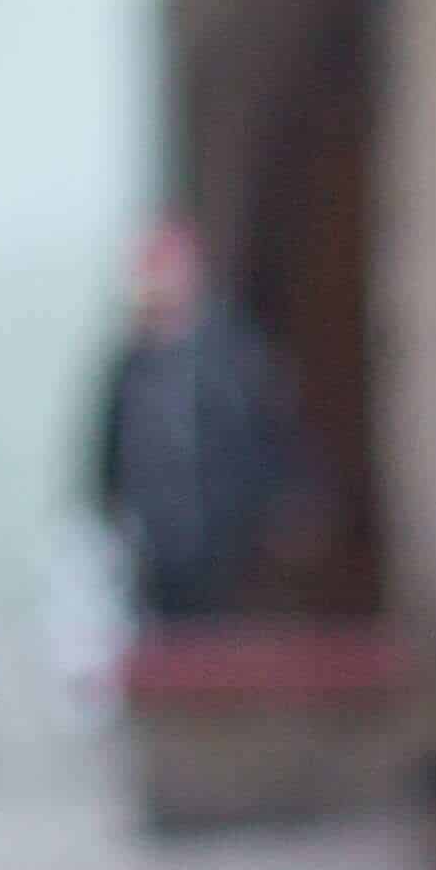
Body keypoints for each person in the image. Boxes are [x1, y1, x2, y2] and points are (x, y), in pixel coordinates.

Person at [83, 213, 304, 624]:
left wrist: (283, 503)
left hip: (228, 544)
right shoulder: (132, 364)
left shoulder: (232, 353)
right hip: (157, 547)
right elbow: (107, 452)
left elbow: (270, 433)